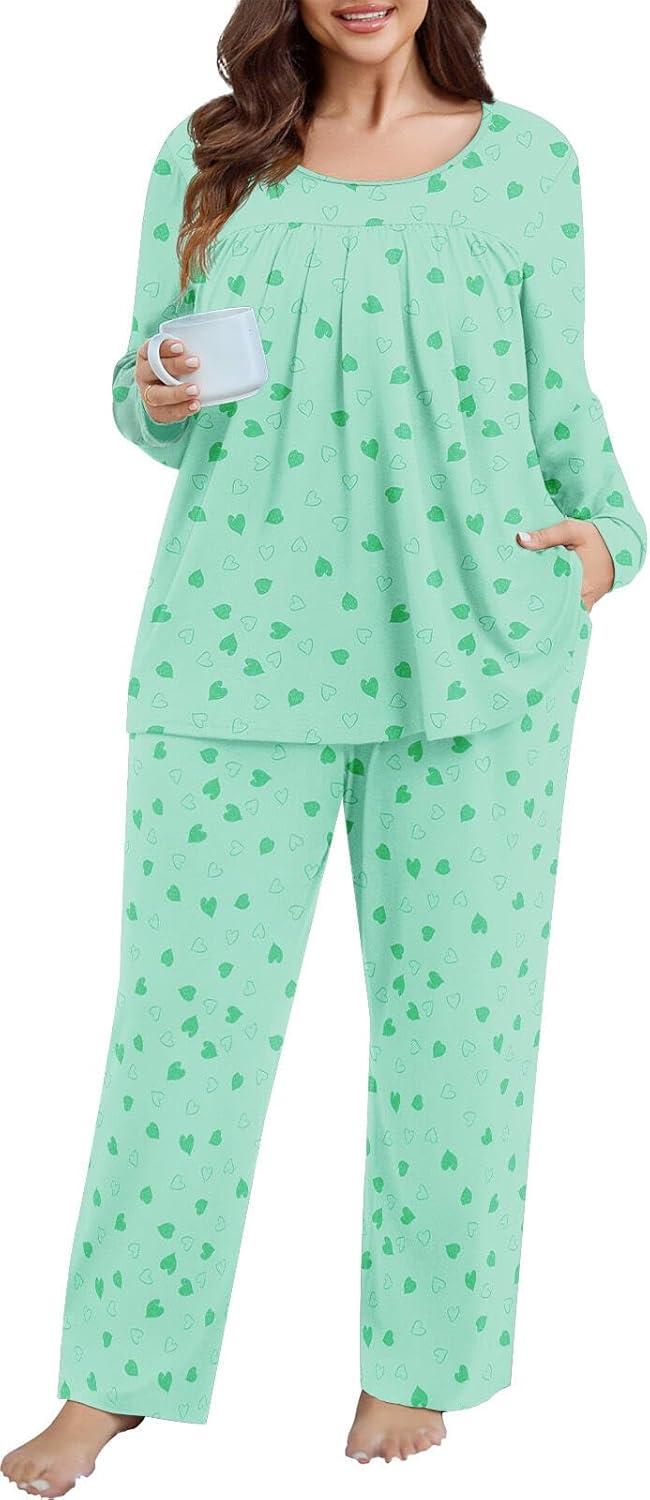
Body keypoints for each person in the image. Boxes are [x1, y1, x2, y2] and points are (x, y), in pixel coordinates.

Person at [2, 0, 646, 1492]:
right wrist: (153, 388)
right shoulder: (212, 153)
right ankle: (112, 1380)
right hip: (237, 643)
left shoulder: (530, 161)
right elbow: (146, 401)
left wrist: (608, 543)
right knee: (182, 1035)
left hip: (480, 642)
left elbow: (559, 391)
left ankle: (418, 1365)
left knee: (461, 1030)